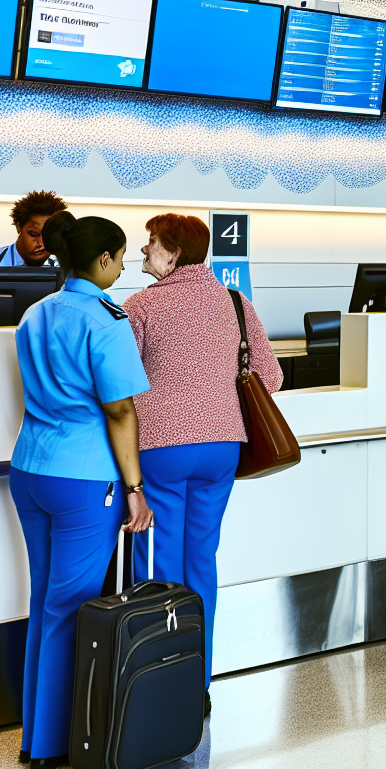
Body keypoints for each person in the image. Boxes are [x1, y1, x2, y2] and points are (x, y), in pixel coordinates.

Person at [7, 212, 152, 769]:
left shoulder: (35, 313)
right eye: (119, 257)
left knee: (45, 599)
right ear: (104, 260)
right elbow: (120, 409)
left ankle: (36, 735)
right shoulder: (106, 319)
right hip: (84, 477)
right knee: (70, 605)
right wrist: (135, 488)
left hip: (31, 468)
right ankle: (52, 743)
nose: (121, 266)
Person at [122, 214, 282, 699]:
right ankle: (199, 682)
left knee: (157, 565)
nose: (142, 253)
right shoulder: (235, 302)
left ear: (173, 252)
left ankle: (158, 681)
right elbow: (270, 378)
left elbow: (117, 384)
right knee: (201, 563)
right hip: (221, 450)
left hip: (162, 448)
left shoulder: (141, 305)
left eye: (150, 244)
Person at [0, 190, 63, 266]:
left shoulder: (63, 268)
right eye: (33, 235)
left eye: (48, 236)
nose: (41, 244)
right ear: (19, 228)